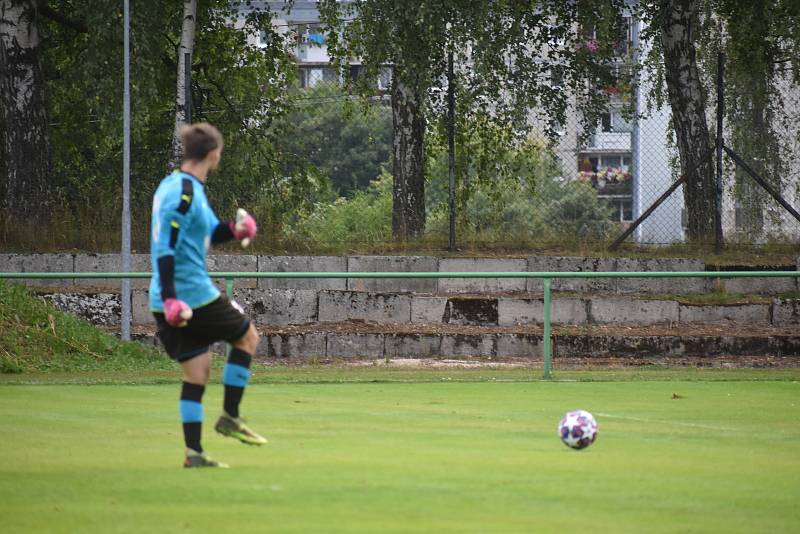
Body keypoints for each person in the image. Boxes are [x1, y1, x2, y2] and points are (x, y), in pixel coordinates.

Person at [150, 122, 266, 468]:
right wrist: (173, 297)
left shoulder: (180, 186)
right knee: (247, 338)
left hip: (172, 297)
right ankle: (230, 416)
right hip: (189, 295)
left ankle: (195, 454)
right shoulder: (184, 192)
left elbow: (206, 236)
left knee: (197, 371)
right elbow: (165, 247)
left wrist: (235, 229)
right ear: (214, 154)